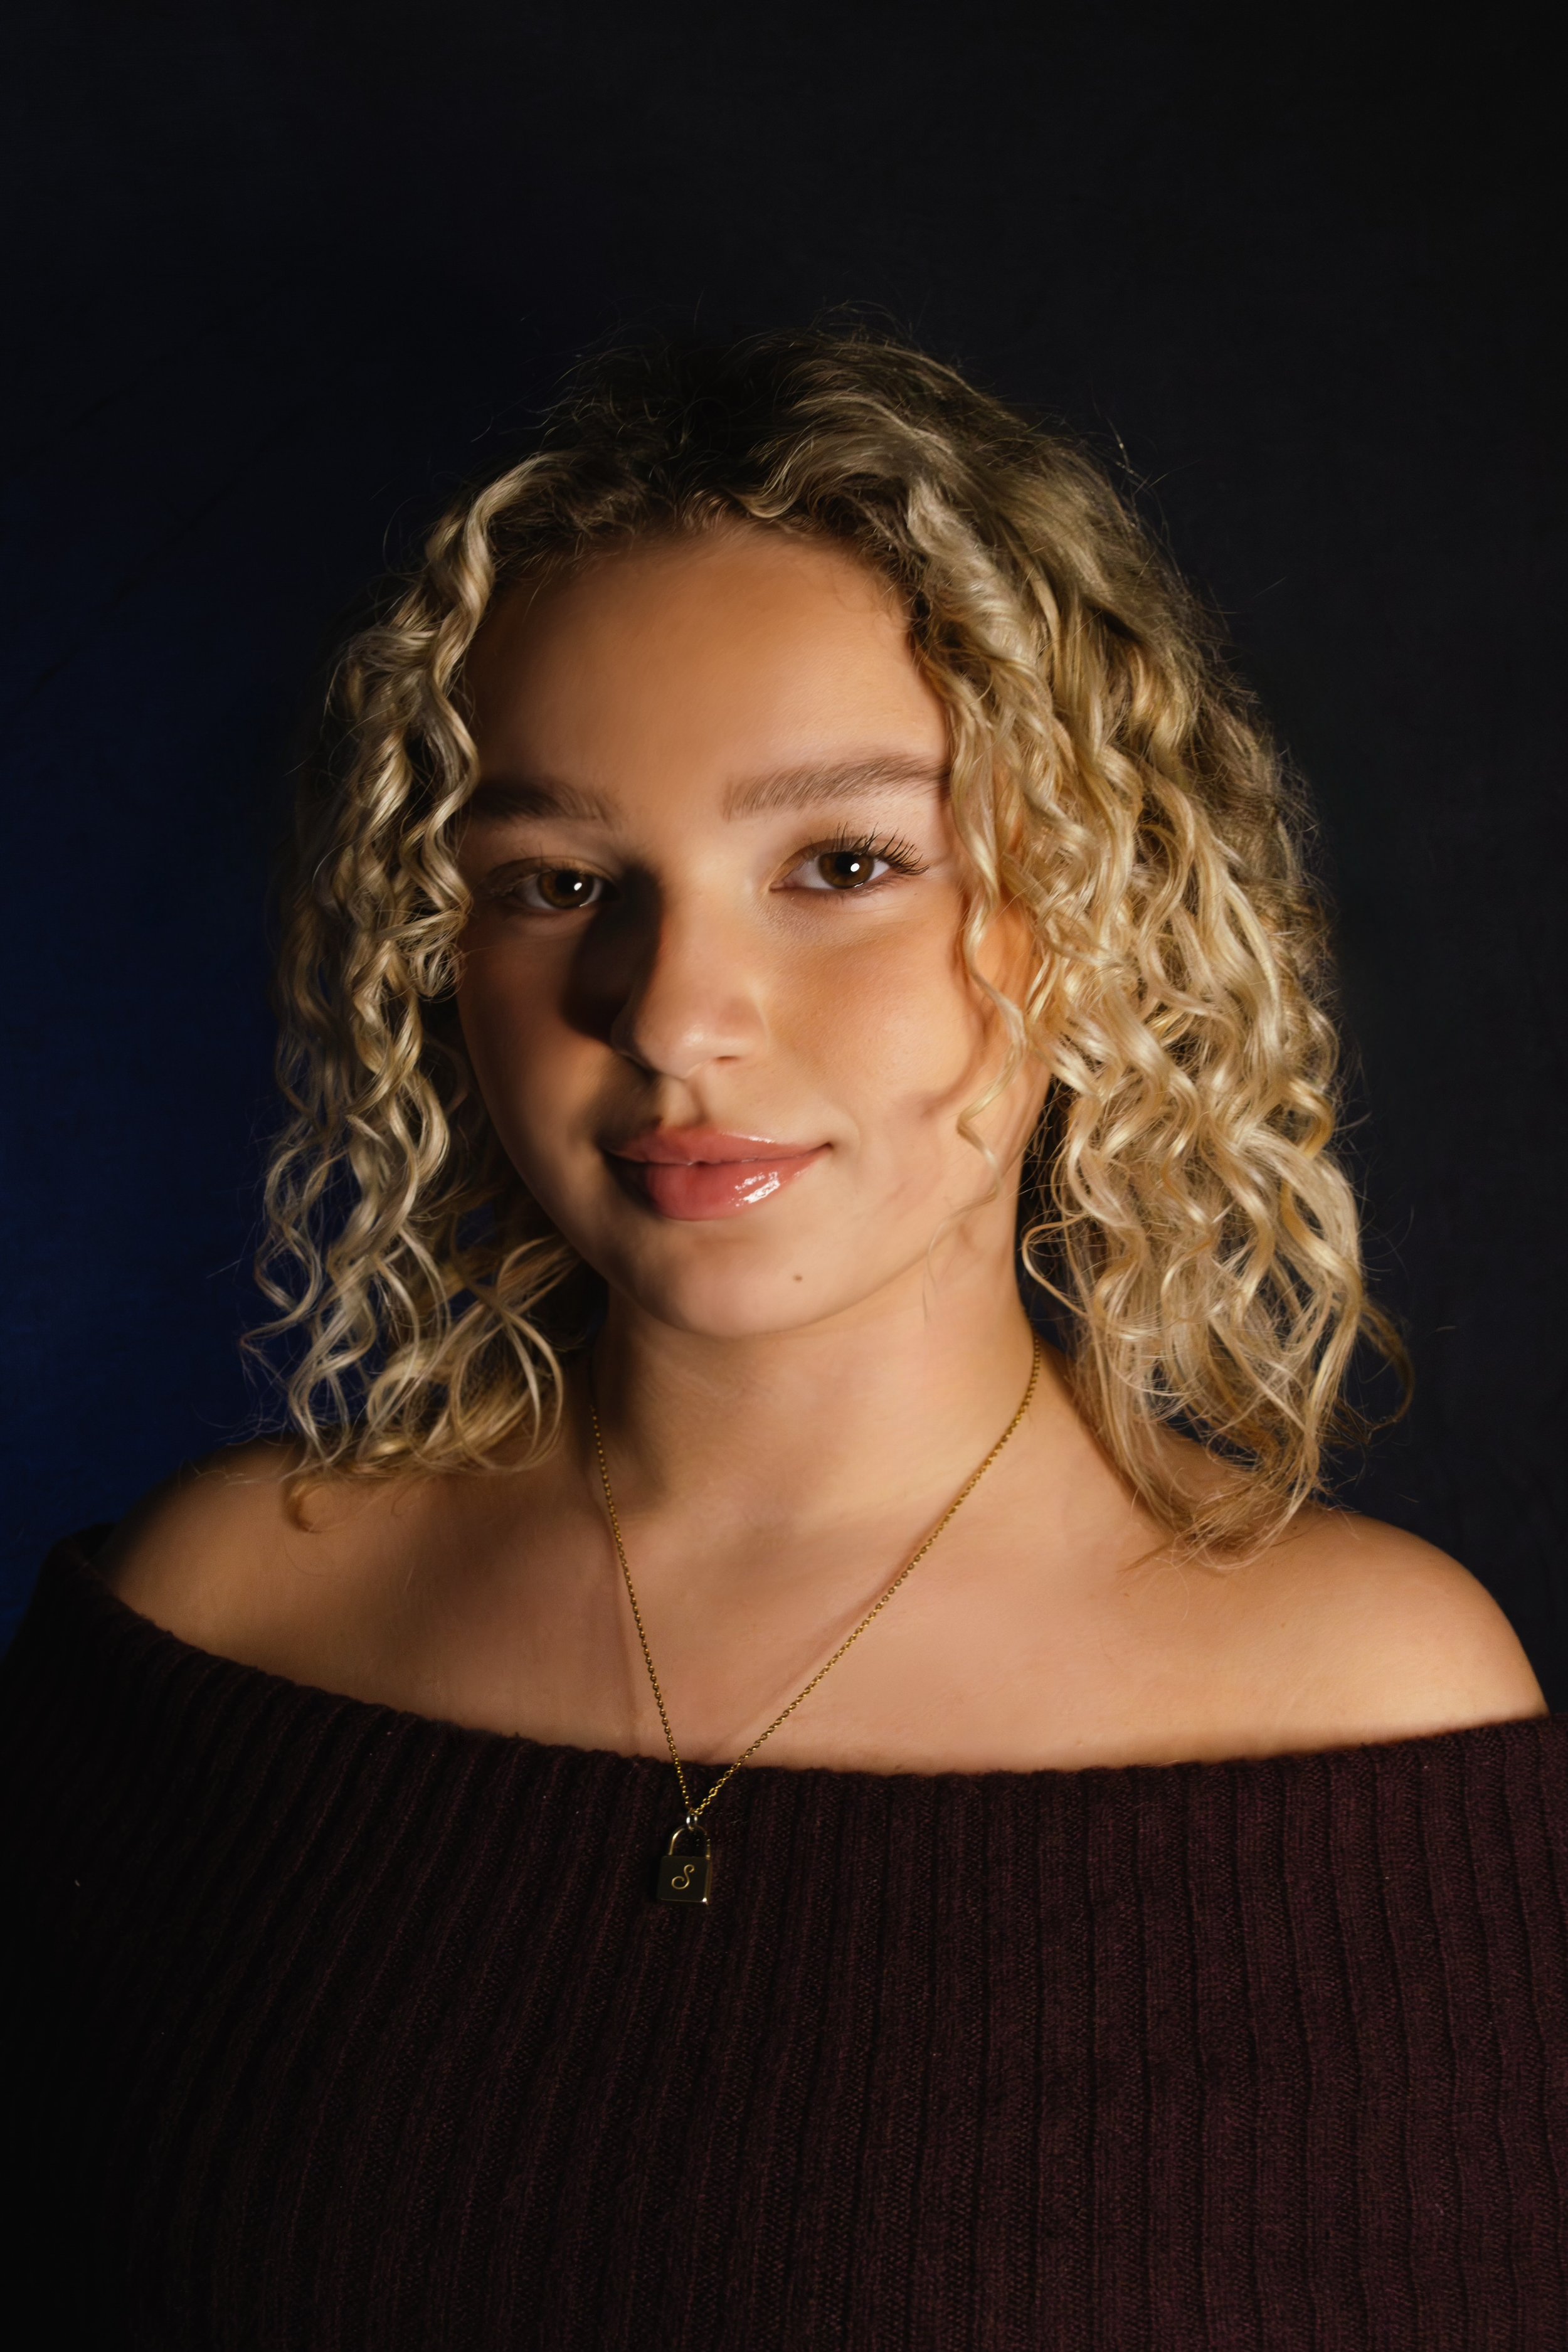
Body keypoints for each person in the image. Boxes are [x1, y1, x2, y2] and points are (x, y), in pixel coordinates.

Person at [3, 329, 1562, 2349]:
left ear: (1098, 911)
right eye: (556, 880)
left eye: (842, 865)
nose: (669, 1014)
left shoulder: (1356, 1716)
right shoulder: (215, 1623)